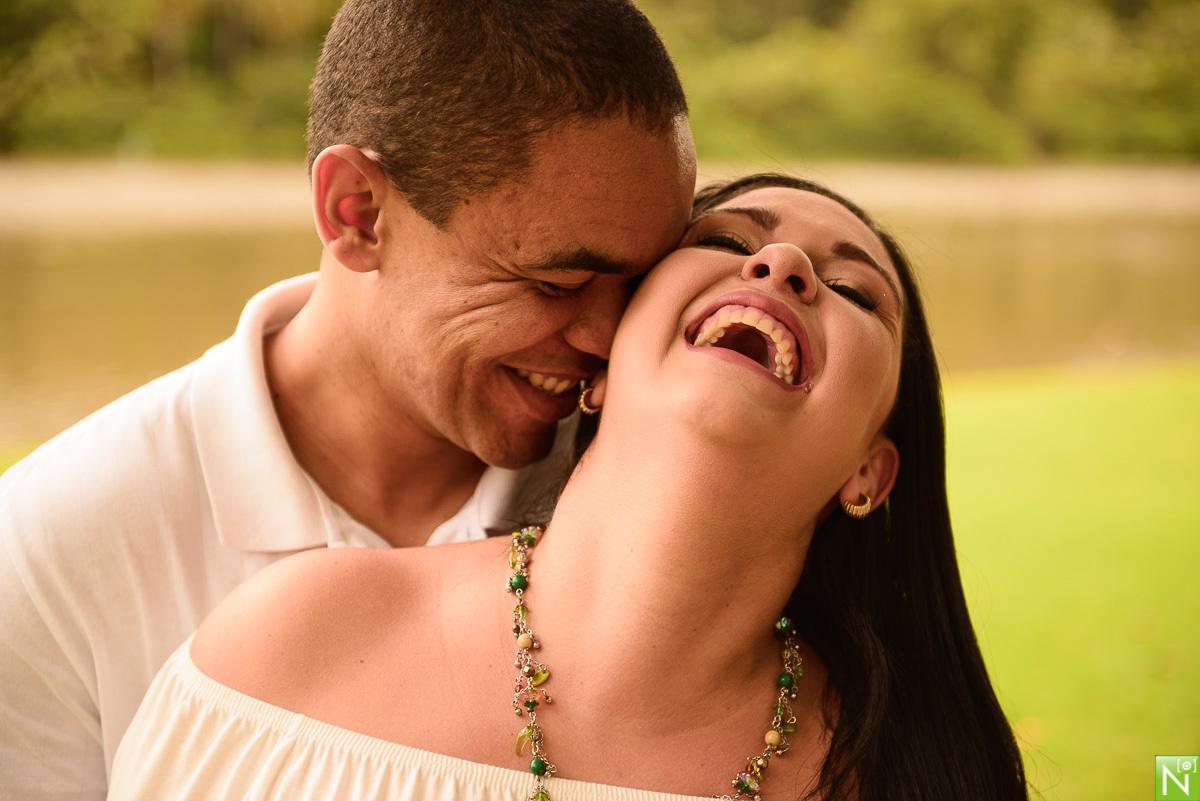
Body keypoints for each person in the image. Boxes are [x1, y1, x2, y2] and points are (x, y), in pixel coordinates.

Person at [107, 174, 1029, 801]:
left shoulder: (905, 770)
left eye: (854, 290)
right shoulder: (291, 643)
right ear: (597, 364)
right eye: (725, 241)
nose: (784, 269)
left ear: (871, 469)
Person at [0, 1, 696, 797]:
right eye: (556, 282)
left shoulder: (661, 488)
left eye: (641, 285)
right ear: (356, 212)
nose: (612, 344)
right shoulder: (47, 544)